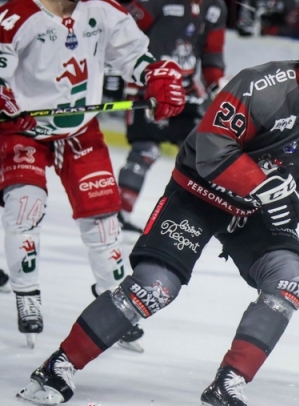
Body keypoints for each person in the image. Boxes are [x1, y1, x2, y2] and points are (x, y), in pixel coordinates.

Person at [16, 9, 299, 406]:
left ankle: (227, 386)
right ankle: (59, 365)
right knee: (154, 287)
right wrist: (267, 189)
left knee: (290, 277)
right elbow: (212, 148)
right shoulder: (261, 85)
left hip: (256, 209)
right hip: (200, 195)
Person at [0, 0, 185, 347]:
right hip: (23, 128)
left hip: (80, 130)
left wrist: (154, 74)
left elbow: (132, 55)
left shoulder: (103, 9)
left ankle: (114, 304)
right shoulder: (17, 14)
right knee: (25, 207)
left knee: (104, 223)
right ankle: (27, 296)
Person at [115, 0, 228, 234]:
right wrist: (114, 75)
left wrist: (218, 85)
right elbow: (120, 35)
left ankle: (200, 221)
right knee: (145, 150)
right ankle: (119, 216)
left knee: (201, 157)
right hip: (149, 88)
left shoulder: (216, 7)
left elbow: (212, 55)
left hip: (185, 92)